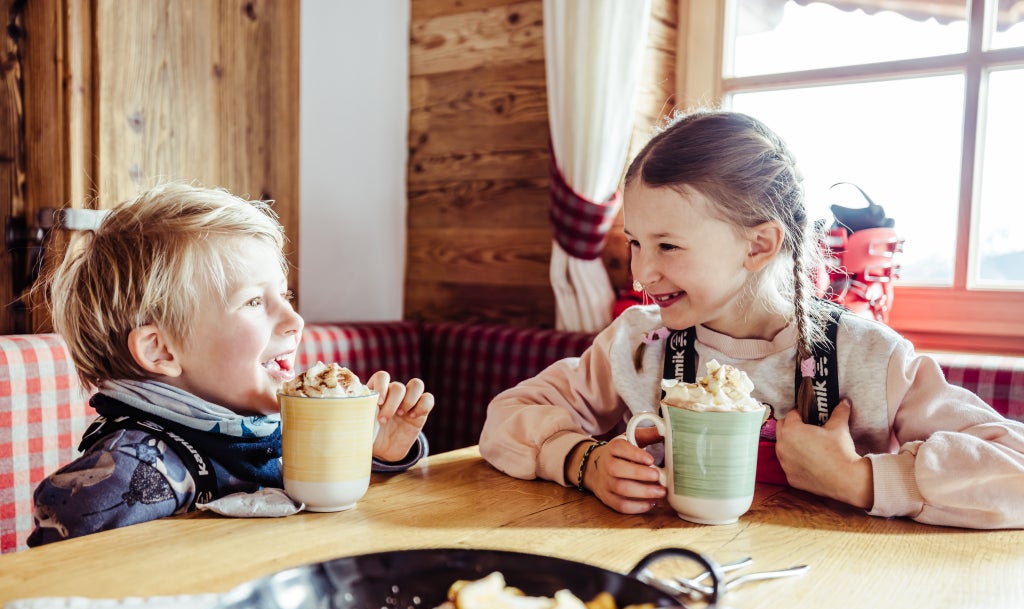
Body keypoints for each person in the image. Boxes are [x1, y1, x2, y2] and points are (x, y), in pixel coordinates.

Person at [479, 108, 1024, 530]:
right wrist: (582, 460)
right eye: (636, 243)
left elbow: (1014, 470)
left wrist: (860, 478)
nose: (642, 272)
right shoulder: (637, 344)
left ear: (759, 244)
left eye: (668, 246)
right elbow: (508, 416)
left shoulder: (871, 360)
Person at [27, 182, 434, 546]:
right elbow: (59, 568)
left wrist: (372, 454)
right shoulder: (133, 471)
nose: (295, 321)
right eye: (255, 302)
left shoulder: (258, 425)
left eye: (285, 296)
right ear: (161, 351)